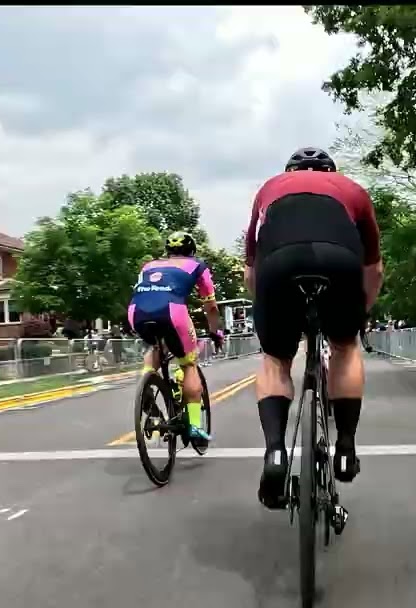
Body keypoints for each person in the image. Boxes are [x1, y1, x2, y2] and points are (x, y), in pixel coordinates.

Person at [243, 147, 383, 510]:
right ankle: (345, 450)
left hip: (278, 264)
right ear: (330, 171)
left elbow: (250, 272)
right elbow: (374, 270)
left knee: (276, 359)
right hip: (340, 262)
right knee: (345, 347)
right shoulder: (352, 189)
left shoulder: (269, 188)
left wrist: (268, 308)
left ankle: (275, 453)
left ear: (289, 171)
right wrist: (361, 312)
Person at [128, 230, 224, 445]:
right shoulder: (197, 265)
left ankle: (146, 380)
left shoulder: (149, 265)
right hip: (172, 311)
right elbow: (210, 306)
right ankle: (195, 426)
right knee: (189, 364)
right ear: (192, 250)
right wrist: (215, 332)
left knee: (155, 346)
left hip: (136, 312)